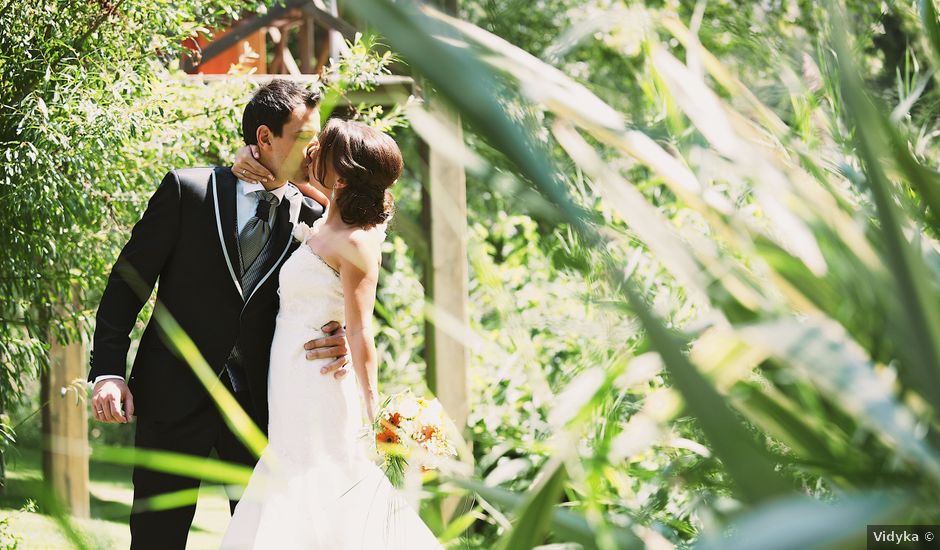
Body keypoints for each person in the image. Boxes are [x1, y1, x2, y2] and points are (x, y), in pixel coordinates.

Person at [88, 79, 351, 550]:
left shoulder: (314, 216)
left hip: (262, 407)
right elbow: (127, 285)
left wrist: (345, 334)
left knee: (263, 540)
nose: (315, 154)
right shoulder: (188, 190)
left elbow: (350, 284)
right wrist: (107, 371)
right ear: (265, 138)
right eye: (305, 140)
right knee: (155, 541)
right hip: (171, 396)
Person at [220, 118, 442, 549]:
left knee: (323, 477)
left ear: (341, 174)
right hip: (289, 378)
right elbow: (283, 179)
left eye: (323, 147)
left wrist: (376, 412)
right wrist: (247, 155)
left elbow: (360, 331)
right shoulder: (328, 216)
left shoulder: (357, 241)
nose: (313, 148)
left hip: (318, 382)